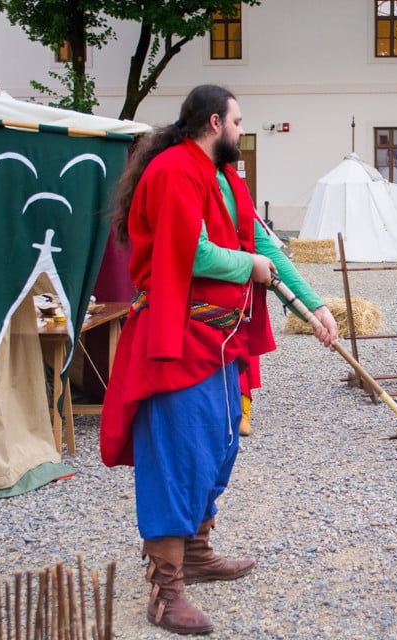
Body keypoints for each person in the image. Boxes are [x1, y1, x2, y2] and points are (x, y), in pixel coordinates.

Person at [100, 84, 339, 635]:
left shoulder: (227, 178)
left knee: (218, 447)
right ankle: (164, 589)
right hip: (175, 340)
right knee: (176, 458)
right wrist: (249, 266)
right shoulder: (173, 172)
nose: (241, 130)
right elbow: (194, 251)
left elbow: (268, 248)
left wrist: (315, 307)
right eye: (238, 122)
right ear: (214, 122)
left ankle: (199, 550)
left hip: (220, 343)